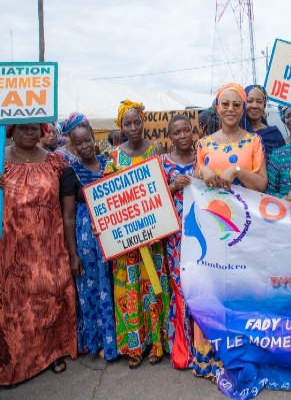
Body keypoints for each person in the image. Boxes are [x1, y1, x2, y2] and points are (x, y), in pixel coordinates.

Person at [194, 83, 267, 381]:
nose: (231, 110)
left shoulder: (253, 142)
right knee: (210, 286)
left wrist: (235, 171)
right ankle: (207, 357)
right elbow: (197, 177)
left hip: (244, 228)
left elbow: (261, 184)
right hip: (211, 227)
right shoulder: (204, 145)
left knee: (240, 288)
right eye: (226, 104)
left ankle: (238, 354)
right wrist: (203, 172)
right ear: (216, 106)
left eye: (237, 105)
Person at [0, 123, 77, 385]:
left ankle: (53, 352)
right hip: (12, 247)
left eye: (34, 128)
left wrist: (71, 250)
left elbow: (67, 209)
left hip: (49, 246)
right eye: (23, 129)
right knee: (17, 307)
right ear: (11, 131)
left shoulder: (55, 162)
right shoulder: (1, 160)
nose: (29, 133)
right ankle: (18, 358)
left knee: (50, 296)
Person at [104, 100, 169, 369]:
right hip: (126, 241)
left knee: (152, 288)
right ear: (121, 127)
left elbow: (163, 188)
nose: (133, 128)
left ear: (144, 123)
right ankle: (134, 347)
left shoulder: (157, 151)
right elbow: (107, 198)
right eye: (127, 124)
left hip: (153, 236)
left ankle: (156, 343)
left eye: (137, 122)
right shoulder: (114, 157)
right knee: (130, 291)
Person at [61, 122, 117, 361]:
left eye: (87, 140)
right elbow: (69, 216)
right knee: (93, 290)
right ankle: (97, 342)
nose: (84, 146)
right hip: (87, 238)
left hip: (113, 232)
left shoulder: (110, 164)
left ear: (94, 138)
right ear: (72, 145)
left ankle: (117, 340)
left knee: (113, 286)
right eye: (78, 143)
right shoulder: (70, 172)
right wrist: (73, 255)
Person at [160, 115, 195, 369]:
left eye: (186, 131)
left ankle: (201, 343)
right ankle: (182, 344)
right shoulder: (162, 163)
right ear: (170, 136)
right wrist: (172, 187)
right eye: (177, 132)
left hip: (200, 234)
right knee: (181, 287)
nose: (183, 136)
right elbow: (153, 197)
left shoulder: (203, 158)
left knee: (199, 284)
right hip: (175, 237)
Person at [244, 84, 285, 158]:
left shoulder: (274, 133)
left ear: (264, 105)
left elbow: (284, 161)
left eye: (259, 101)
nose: (254, 105)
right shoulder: (237, 132)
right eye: (250, 101)